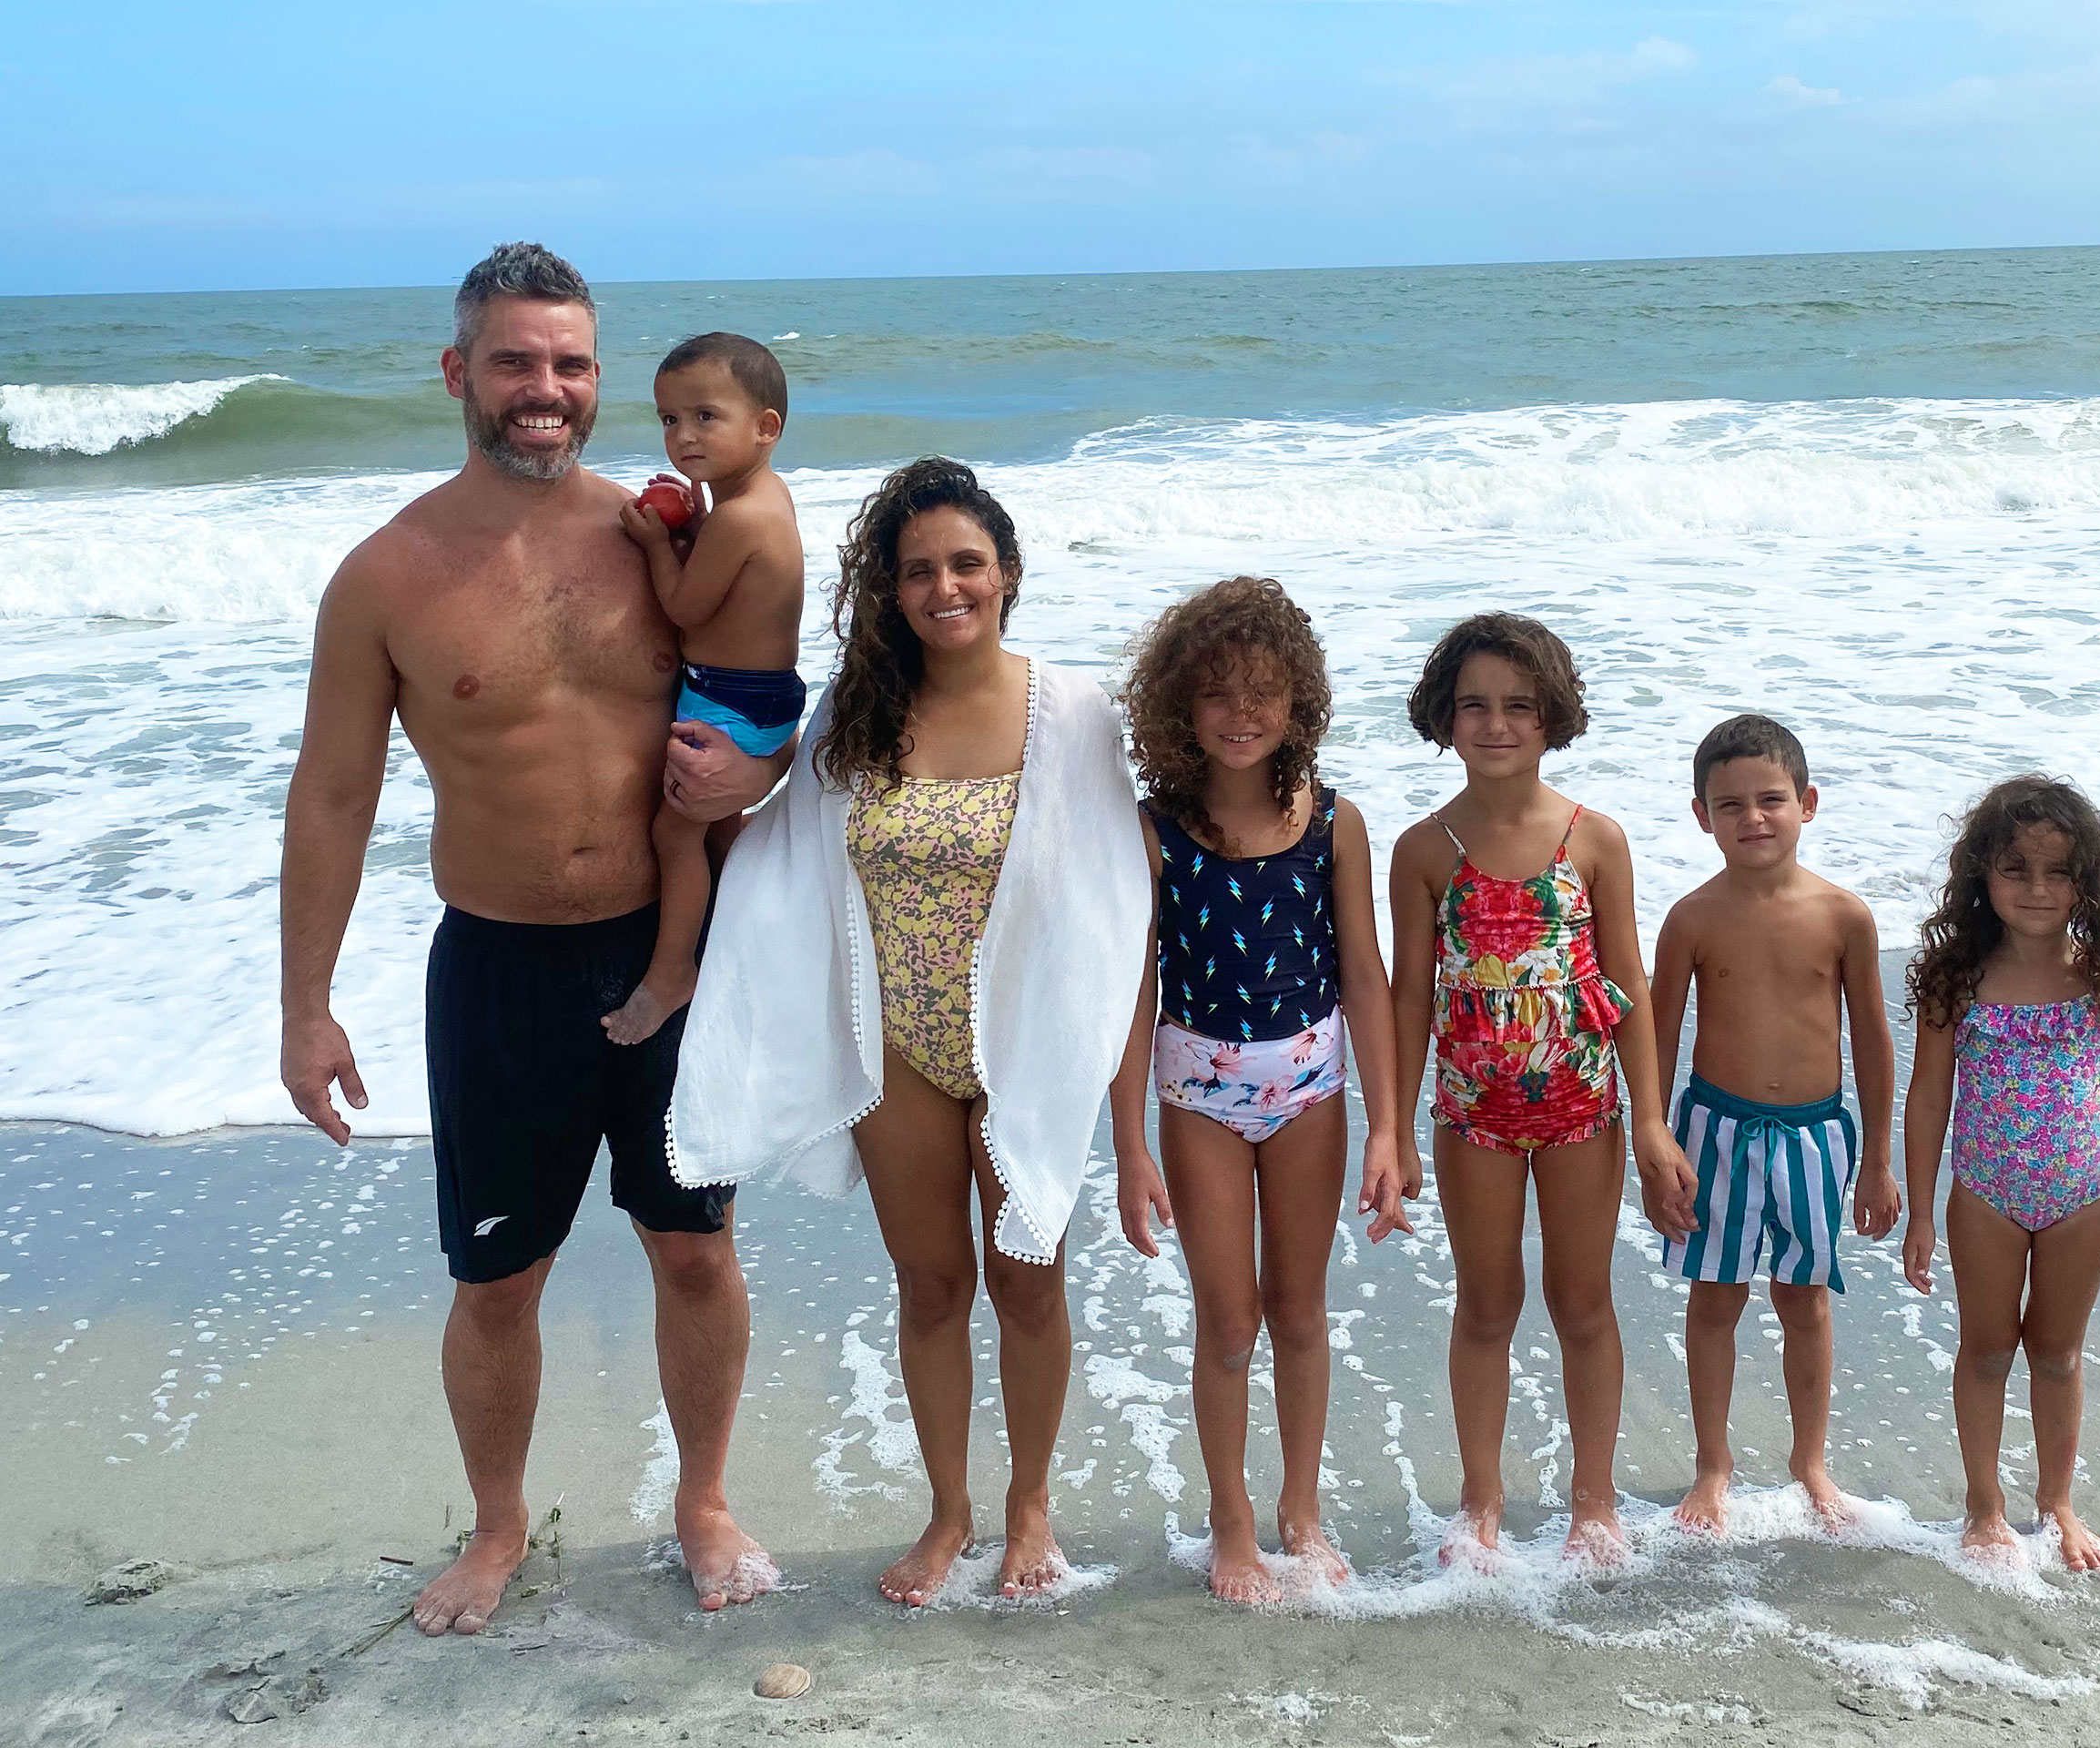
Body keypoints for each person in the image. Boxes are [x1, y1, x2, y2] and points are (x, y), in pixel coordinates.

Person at [278, 243, 774, 1636]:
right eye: (514, 361)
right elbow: (330, 793)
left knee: (695, 1251)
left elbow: (761, 709)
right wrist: (303, 1006)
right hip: (497, 970)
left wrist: (761, 779)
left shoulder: (668, 542)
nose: (543, 390)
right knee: (498, 1281)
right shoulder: (387, 575)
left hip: (671, 952)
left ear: (598, 380)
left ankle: (705, 1502)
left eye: (569, 364)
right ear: (458, 375)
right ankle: (498, 1531)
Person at [666, 457, 1151, 1604]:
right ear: (892, 588)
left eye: (967, 563)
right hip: (897, 1047)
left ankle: (1031, 1511)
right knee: (930, 1288)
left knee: (1028, 1281)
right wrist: (715, 789)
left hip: (1025, 1045)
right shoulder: (860, 711)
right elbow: (787, 853)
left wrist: (1129, 1133)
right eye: (920, 568)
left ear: (1009, 574)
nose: (946, 586)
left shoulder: (1074, 714)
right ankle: (949, 1515)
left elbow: (1120, 918)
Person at [1110, 576, 1410, 1605]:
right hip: (1196, 1096)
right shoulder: (1154, 832)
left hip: (1314, 1092)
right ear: (1179, 710)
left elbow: (1366, 977)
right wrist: (1131, 1148)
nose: (1243, 714)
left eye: (1265, 693)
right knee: (1228, 1323)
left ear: (1299, 705)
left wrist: (1388, 1130)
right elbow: (1132, 993)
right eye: (1218, 693)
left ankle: (1302, 1510)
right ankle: (1231, 1521)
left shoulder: (1334, 822)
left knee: (1301, 1311)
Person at [1385, 613, 1688, 1570]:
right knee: (1485, 1305)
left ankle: (1593, 1504)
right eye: (1474, 705)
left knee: (1583, 1303)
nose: (1497, 724)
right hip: (1471, 1116)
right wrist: (1391, 1126)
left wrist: (1650, 1117)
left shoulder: (1594, 840)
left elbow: (1628, 985)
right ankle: (1480, 1502)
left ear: (1553, 716)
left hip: (1582, 1112)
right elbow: (1405, 1001)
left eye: (1520, 706)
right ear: (1445, 718)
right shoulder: (1424, 850)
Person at [1898, 775, 2100, 1571]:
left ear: (2087, 884)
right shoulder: (1957, 983)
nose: (2037, 888)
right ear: (1982, 874)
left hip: (2082, 1200)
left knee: (2058, 1355)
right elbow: (1927, 1102)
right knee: (1987, 1351)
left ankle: (2055, 1501)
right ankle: (1984, 1506)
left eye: (2059, 872)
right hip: (1984, 1196)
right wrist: (1920, 1212)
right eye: (2016, 867)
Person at [1642, 715, 1899, 1536]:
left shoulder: (1844, 916)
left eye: (1771, 800)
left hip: (1817, 1134)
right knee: (1714, 1299)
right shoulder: (1691, 918)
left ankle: (1810, 1462)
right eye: (1730, 805)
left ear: (1808, 803)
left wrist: (1879, 1163)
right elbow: (1656, 1035)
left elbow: (1874, 1041)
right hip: (1714, 1130)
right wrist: (1656, 1144)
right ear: (1700, 815)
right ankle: (1713, 1466)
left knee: (1805, 1299)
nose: (1753, 818)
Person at [602, 333, 806, 1046]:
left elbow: (687, 608)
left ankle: (670, 974)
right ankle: (738, 945)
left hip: (731, 701)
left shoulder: (742, 516)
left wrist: (659, 546)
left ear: (765, 427)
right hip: (759, 693)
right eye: (667, 420)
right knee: (718, 827)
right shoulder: (759, 498)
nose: (683, 436)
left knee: (673, 830)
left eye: (704, 417)